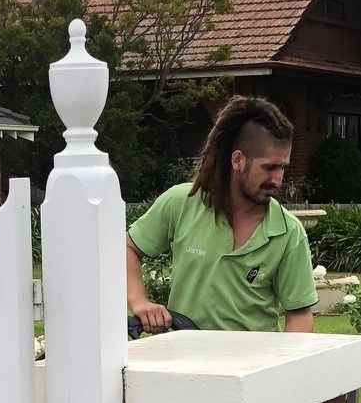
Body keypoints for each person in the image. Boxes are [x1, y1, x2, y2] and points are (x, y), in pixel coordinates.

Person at [126, 96, 319, 334]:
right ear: (238, 160)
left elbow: (299, 315)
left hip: (253, 367)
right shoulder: (181, 203)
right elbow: (127, 248)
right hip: (184, 362)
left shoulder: (289, 231)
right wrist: (140, 302)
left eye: (282, 167)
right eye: (269, 167)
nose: (278, 180)